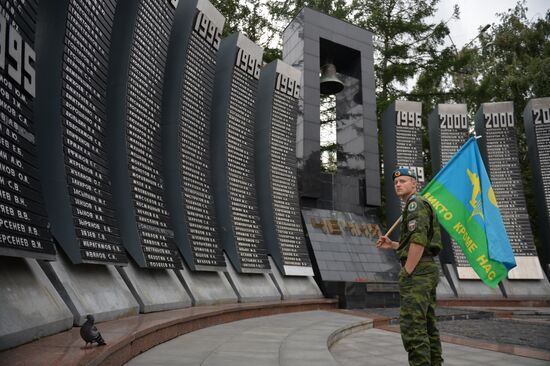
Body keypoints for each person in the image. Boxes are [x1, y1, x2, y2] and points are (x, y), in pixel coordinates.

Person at [377, 168, 443, 366]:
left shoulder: (415, 204)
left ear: (414, 184)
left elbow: (419, 241)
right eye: (396, 182)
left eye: (403, 181)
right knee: (427, 325)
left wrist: (407, 271)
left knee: (413, 327)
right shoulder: (414, 205)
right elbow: (415, 243)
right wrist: (394, 245)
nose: (398, 184)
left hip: (418, 273)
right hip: (426, 268)